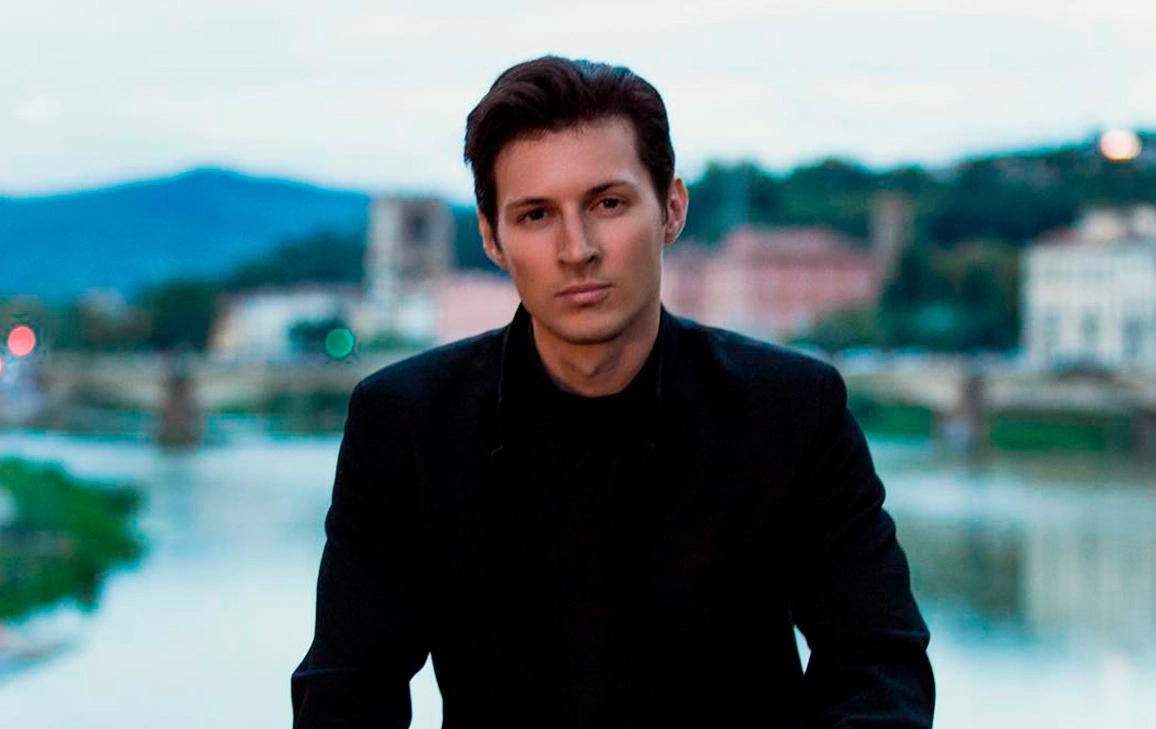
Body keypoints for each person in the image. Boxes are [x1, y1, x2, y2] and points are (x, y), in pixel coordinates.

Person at [292, 55, 935, 728]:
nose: (578, 249)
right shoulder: (406, 423)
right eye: (536, 215)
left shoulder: (793, 410)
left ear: (672, 209)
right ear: (491, 238)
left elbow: (877, 663)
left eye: (608, 204)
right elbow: (346, 692)